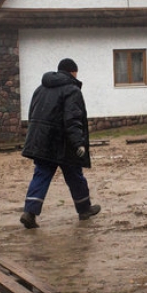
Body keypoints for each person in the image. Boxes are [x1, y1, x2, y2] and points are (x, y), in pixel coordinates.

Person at [20, 58, 101, 228]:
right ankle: (84, 209)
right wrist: (78, 142)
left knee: (41, 175)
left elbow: (33, 114)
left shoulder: (40, 89)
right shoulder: (72, 90)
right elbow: (72, 118)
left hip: (42, 141)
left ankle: (29, 213)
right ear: (73, 72)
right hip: (63, 143)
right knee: (75, 175)